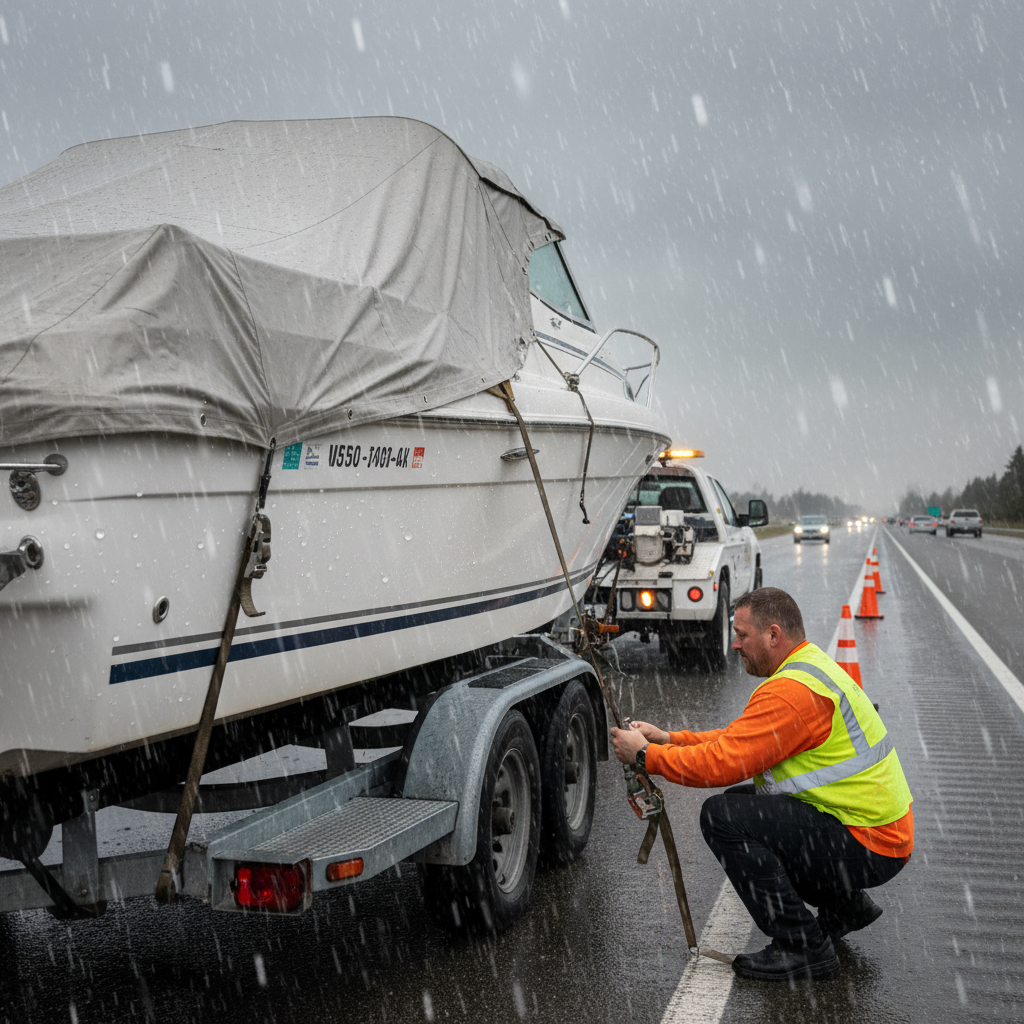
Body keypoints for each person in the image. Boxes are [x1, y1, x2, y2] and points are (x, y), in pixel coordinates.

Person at [610, 587, 913, 982]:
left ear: (773, 635)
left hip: (870, 841)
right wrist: (667, 739)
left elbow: (721, 763)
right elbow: (736, 740)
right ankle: (845, 907)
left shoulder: (791, 693)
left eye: (742, 634)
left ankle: (802, 946)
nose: (734, 644)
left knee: (722, 817)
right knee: (743, 802)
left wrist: (644, 757)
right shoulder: (808, 668)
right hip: (875, 830)